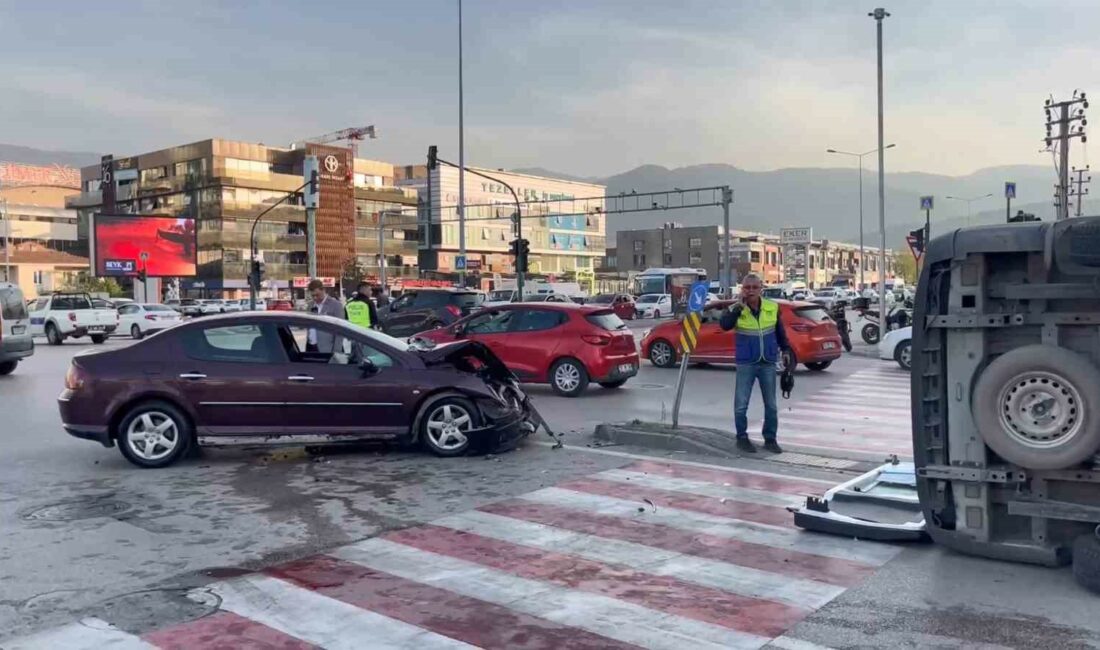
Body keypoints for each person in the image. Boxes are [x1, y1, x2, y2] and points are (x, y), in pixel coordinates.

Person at [720, 273, 792, 454]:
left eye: (754, 287)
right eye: (747, 287)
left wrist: (786, 350)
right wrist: (738, 308)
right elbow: (725, 325)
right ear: (742, 289)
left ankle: (770, 439)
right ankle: (742, 438)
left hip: (767, 361)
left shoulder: (772, 307)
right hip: (746, 362)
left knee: (771, 404)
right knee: (741, 403)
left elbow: (780, 331)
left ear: (761, 289)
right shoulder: (735, 309)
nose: (750, 291)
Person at [306, 279, 345, 353]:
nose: (315, 298)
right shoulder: (310, 305)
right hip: (311, 347)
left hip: (328, 348)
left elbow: (340, 330)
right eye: (312, 296)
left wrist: (337, 351)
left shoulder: (336, 305)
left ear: (323, 290)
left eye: (317, 295)